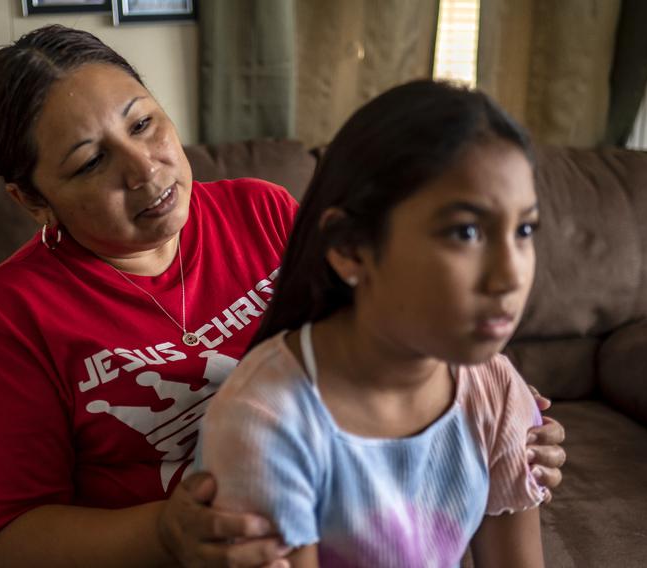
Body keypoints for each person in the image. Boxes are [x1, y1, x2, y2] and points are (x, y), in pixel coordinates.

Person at [0, 25, 566, 567]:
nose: (145, 168)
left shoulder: (262, 212)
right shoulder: (10, 316)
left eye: (144, 123)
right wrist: (165, 534)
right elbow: (1, 539)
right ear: (31, 200)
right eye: (90, 162)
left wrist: (481, 419)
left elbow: (381, 341)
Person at [198, 80, 549, 567]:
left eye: (524, 229)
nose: (510, 275)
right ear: (349, 249)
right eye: (465, 232)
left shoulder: (496, 389)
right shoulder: (266, 421)